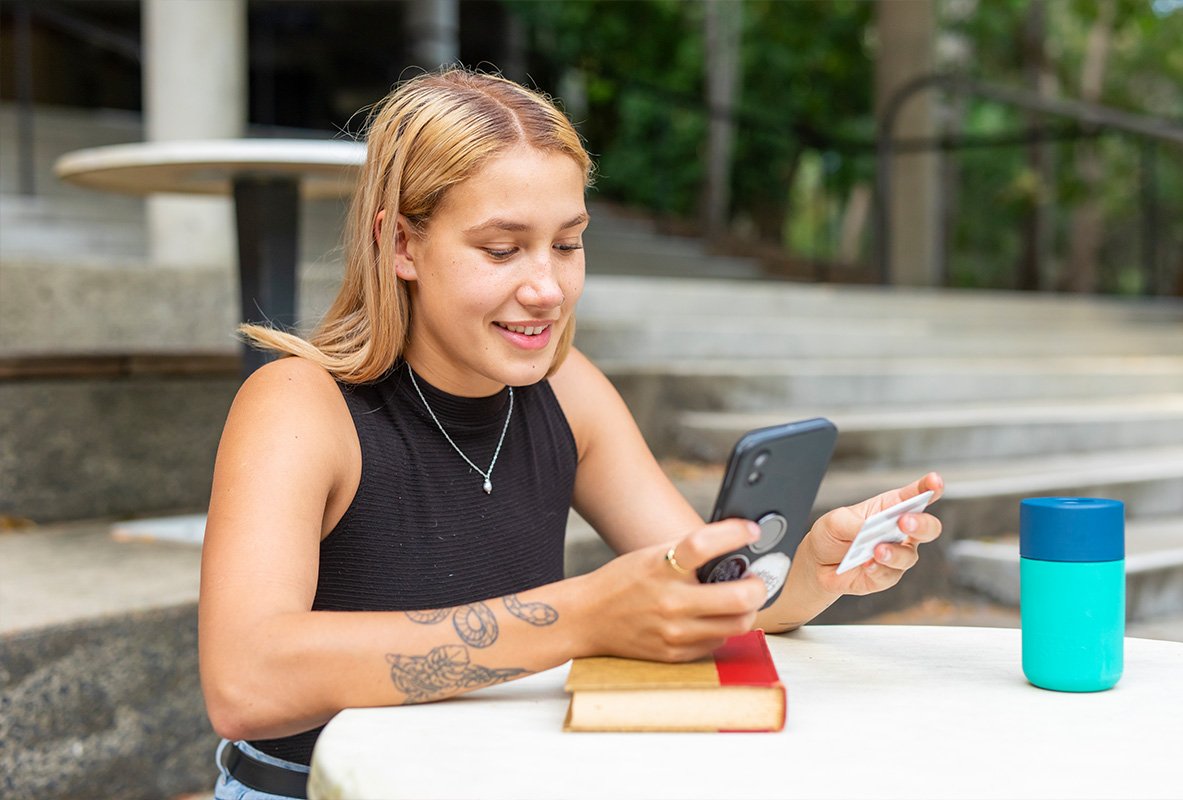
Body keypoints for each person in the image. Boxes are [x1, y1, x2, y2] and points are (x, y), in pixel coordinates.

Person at [199, 67, 944, 800]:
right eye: (501, 249)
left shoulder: (565, 386)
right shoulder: (299, 404)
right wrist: (578, 617)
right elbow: (245, 681)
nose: (547, 289)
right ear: (400, 244)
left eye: (567, 244)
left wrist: (810, 572)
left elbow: (704, 594)